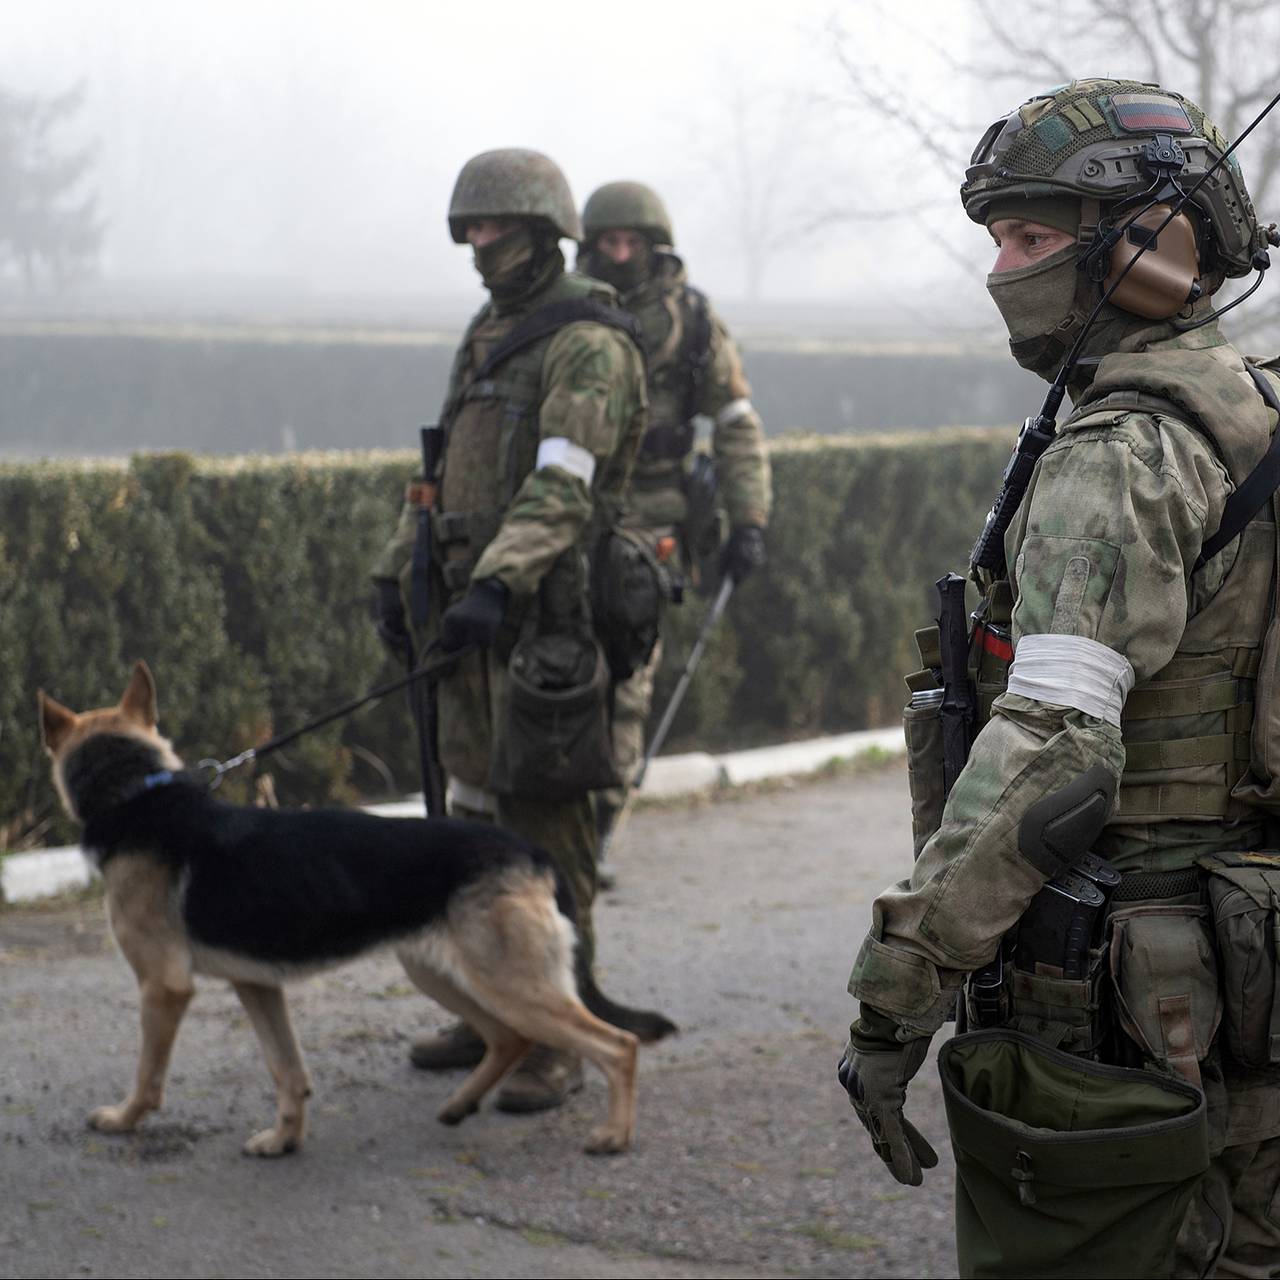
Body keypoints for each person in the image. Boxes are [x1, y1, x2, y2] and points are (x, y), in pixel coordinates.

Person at [838, 79, 1280, 1276]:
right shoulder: (1252, 411)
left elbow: (1053, 756)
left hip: (1130, 991)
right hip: (1246, 954)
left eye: (1031, 235)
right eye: (996, 238)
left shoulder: (1119, 455)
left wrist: (898, 989)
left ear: (1141, 248)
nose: (1002, 267)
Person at [371, 148, 647, 1112]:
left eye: (493, 228)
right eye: (470, 230)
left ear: (540, 233)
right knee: (473, 826)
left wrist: (496, 583)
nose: (477, 245)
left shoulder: (587, 342)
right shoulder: (488, 333)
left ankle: (555, 1047)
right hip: (471, 621)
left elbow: (565, 482)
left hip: (549, 630)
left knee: (545, 834)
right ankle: (492, 1013)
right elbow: (439, 472)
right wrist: (393, 570)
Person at [577, 181, 773, 859]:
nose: (621, 253)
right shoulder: (567, 314)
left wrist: (748, 517)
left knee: (626, 680)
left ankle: (600, 826)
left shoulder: (692, 322)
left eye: (633, 242)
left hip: (655, 519)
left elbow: (735, 424)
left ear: (655, 246)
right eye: (608, 242)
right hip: (566, 512)